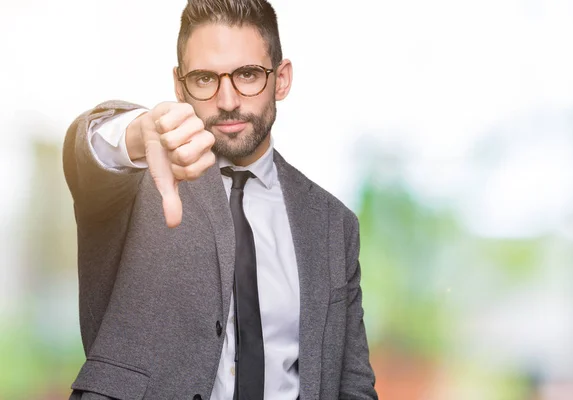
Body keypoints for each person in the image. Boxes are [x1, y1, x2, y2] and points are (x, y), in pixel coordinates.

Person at [62, 0, 377, 399]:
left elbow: (352, 383)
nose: (227, 100)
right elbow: (88, 151)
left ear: (281, 79)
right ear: (179, 85)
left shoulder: (333, 224)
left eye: (248, 74)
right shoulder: (136, 176)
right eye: (205, 79)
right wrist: (138, 134)